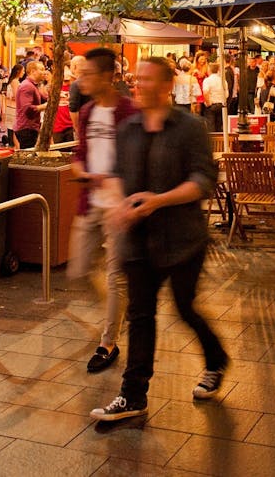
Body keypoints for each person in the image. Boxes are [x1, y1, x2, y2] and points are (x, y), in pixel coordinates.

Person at [90, 57, 226, 422]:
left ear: (167, 85)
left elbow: (202, 180)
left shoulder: (190, 128)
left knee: (185, 308)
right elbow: (118, 173)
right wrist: (121, 205)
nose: (139, 85)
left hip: (182, 240)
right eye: (136, 79)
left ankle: (216, 361)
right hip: (137, 241)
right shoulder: (129, 128)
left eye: (147, 79)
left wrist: (157, 201)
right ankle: (133, 395)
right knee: (140, 316)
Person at [69, 48, 137, 373]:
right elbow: (80, 152)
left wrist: (120, 185)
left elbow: (137, 160)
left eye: (88, 73)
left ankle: (108, 342)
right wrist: (80, 170)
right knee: (79, 269)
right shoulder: (87, 112)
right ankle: (117, 311)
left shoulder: (128, 111)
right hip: (91, 202)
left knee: (115, 277)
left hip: (119, 206)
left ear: (107, 76)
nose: (82, 79)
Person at [13, 61, 48, 149]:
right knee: (27, 156)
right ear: (33, 71)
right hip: (27, 128)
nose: (44, 72)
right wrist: (45, 106)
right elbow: (27, 109)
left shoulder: (33, 85)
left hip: (30, 127)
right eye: (41, 69)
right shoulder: (27, 86)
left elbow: (44, 98)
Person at [200, 62, 225, 132]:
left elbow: (205, 92)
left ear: (209, 70)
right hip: (221, 104)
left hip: (211, 105)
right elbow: (227, 94)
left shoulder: (207, 80)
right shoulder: (223, 80)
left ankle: (213, 142)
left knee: (210, 126)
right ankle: (220, 142)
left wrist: (208, 103)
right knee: (219, 125)